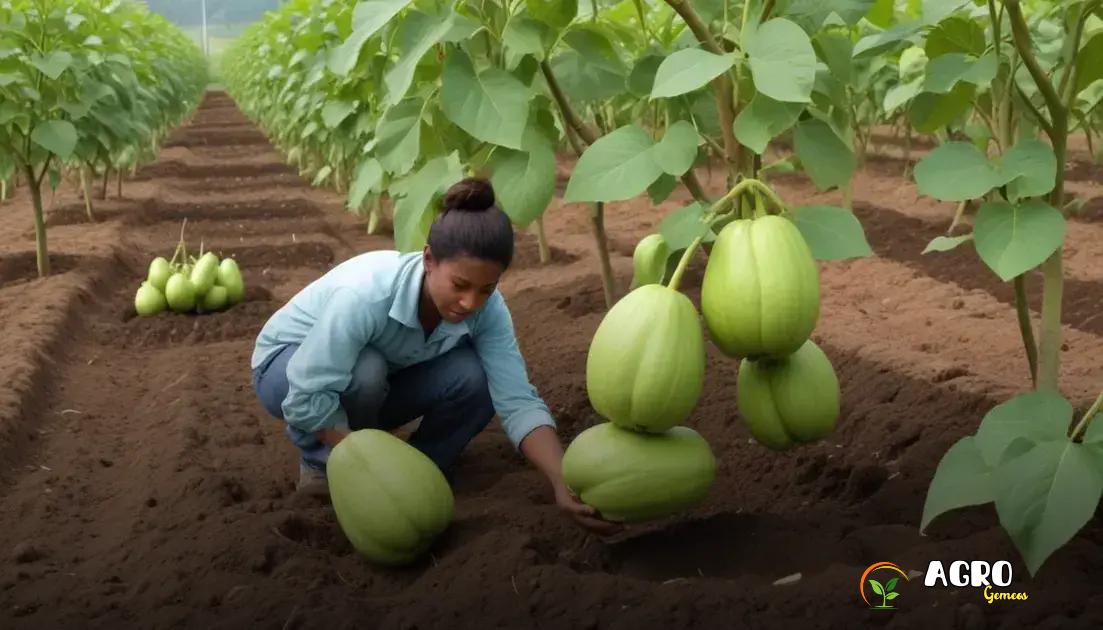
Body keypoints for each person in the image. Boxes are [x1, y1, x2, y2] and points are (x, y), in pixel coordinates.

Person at [250, 177, 621, 536]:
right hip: (287, 369)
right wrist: (371, 468)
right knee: (366, 371)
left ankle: (421, 471)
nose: (470, 303)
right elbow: (306, 392)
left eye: (486, 289)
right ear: (428, 259)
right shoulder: (366, 294)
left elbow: (516, 397)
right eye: (460, 285)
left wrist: (561, 479)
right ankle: (320, 463)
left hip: (372, 374)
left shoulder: (488, 312)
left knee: (476, 379)